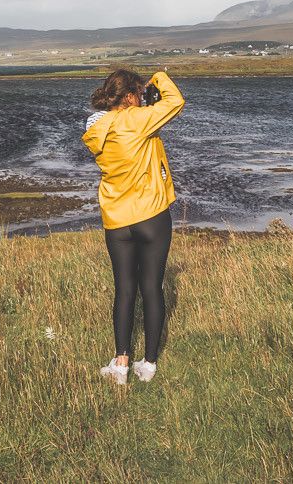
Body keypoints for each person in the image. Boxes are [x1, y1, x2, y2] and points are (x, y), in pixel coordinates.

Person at [81, 67, 185, 385]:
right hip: (151, 215)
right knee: (151, 288)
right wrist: (157, 78)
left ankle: (120, 363)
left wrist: (141, 101)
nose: (142, 98)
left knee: (124, 290)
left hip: (116, 219)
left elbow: (111, 122)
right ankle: (149, 364)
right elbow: (176, 101)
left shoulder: (96, 128)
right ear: (129, 96)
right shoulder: (138, 120)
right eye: (138, 93)